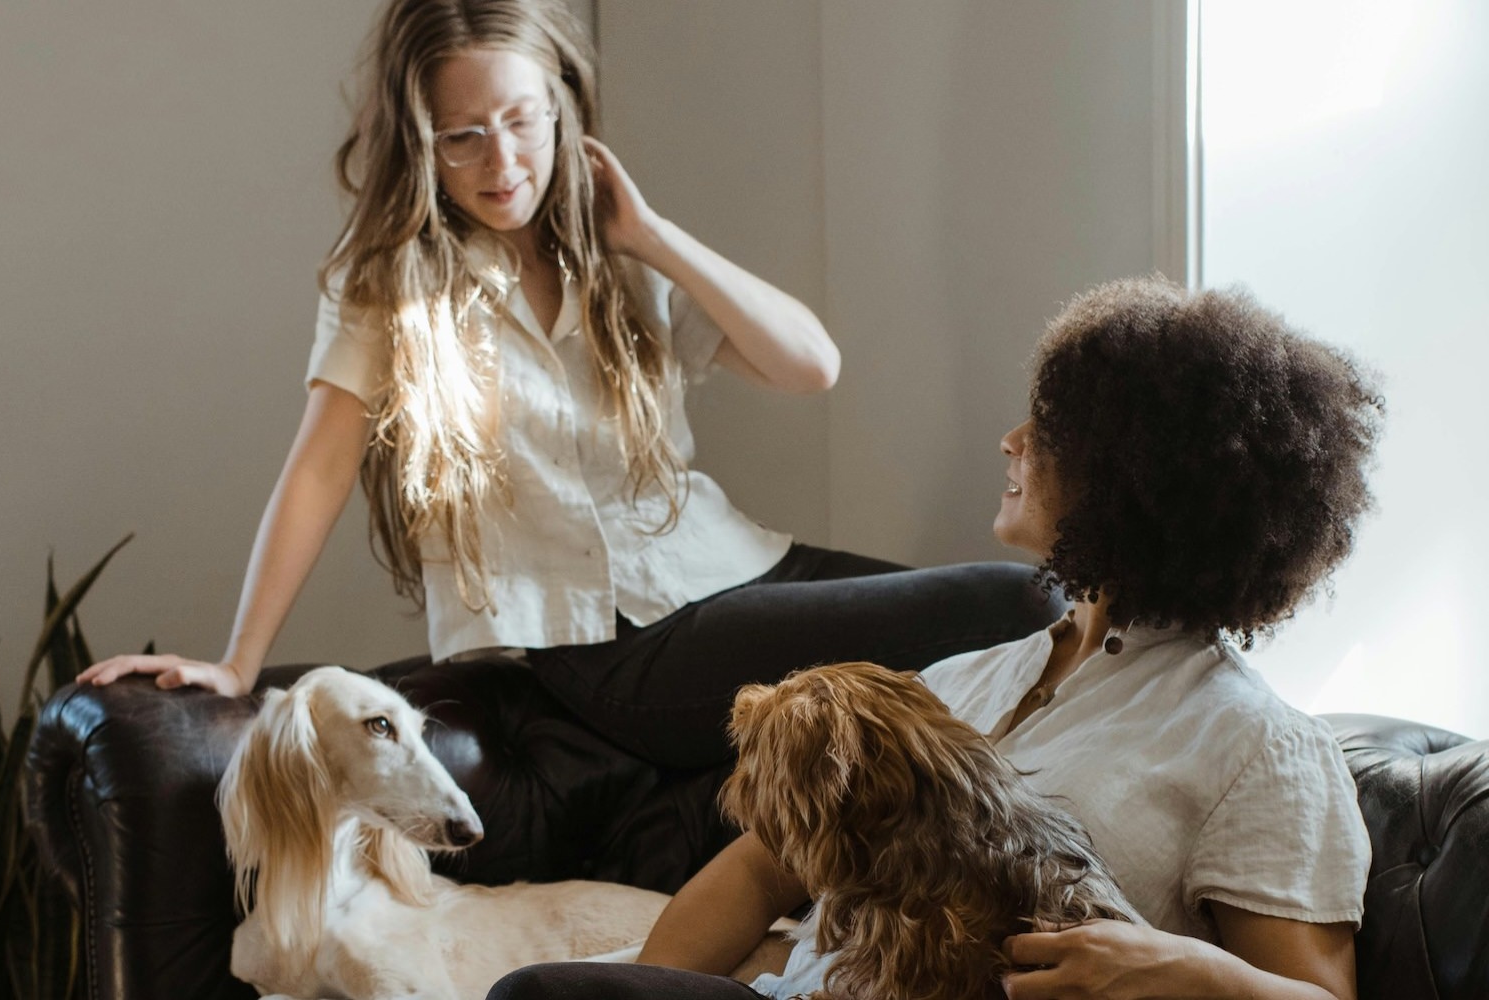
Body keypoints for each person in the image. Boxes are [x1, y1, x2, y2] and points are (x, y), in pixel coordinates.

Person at [76, 0, 1059, 769]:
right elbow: (318, 469)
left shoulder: (614, 259)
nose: (503, 161)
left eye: (522, 120)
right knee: (1016, 603)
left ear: (565, 109)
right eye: (463, 135)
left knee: (1036, 617)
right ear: (422, 142)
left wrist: (651, 236)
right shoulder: (388, 285)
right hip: (615, 648)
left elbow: (813, 365)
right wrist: (237, 663)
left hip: (738, 570)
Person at [489, 277, 1386, 999]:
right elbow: (764, 872)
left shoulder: (1259, 746)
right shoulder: (963, 680)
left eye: (1050, 430)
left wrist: (1184, 972)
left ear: (1134, 479)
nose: (1010, 441)